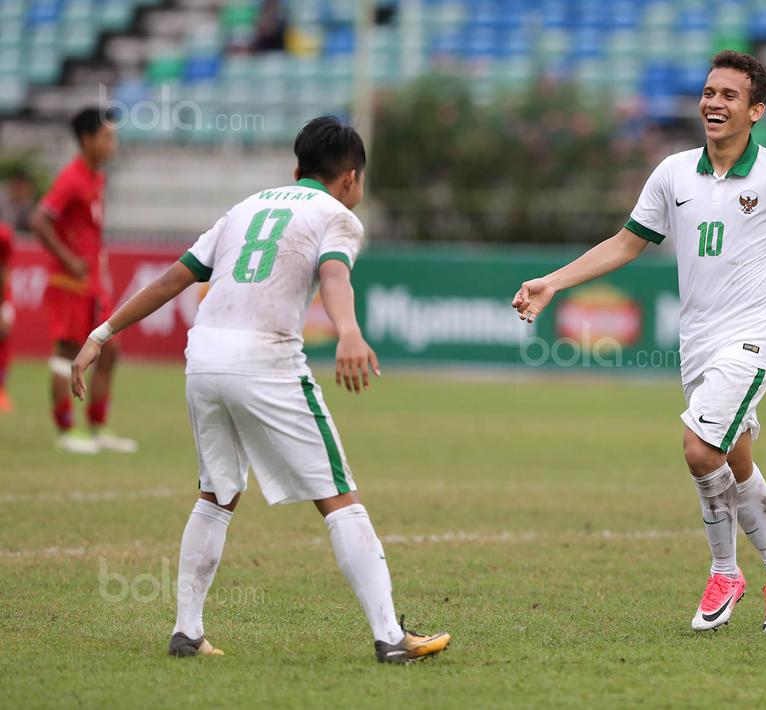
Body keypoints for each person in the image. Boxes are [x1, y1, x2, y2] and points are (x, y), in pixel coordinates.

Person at [512, 51, 766, 634]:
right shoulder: (673, 173)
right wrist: (552, 281)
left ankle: (725, 570)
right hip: (696, 342)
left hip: (752, 338)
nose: (713, 103)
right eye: (708, 92)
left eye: (729, 95)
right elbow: (627, 243)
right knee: (735, 460)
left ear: (756, 110)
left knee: (700, 450)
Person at [70, 116, 451, 663]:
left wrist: (101, 333)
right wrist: (348, 332)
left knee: (217, 493)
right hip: (265, 357)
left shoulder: (243, 209)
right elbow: (335, 276)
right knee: (338, 495)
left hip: (203, 359)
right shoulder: (337, 215)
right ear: (350, 178)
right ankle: (390, 636)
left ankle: (187, 630)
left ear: (297, 169)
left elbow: (171, 280)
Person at [30, 107, 136, 454]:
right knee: (66, 352)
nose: (112, 144)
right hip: (69, 284)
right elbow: (39, 220)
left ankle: (98, 425)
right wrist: (68, 260)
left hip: (93, 283)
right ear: (88, 139)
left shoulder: (96, 178)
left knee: (110, 351)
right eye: (107, 138)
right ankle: (65, 429)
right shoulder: (72, 178)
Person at [0, 217, 12, 413]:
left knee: (3, 336)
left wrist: (2, 305)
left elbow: (3, 270)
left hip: (2, 295)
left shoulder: (3, 235)